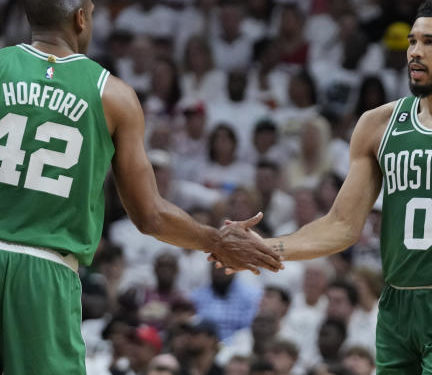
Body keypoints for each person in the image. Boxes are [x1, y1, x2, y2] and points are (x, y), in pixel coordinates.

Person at [216, 1, 432, 373]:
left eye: (430, 41)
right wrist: (268, 247)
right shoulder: (378, 124)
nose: (415, 52)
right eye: (412, 42)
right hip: (394, 307)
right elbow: (342, 225)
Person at [0, 1, 282, 374]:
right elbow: (149, 215)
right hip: (44, 273)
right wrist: (216, 240)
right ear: (81, 17)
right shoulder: (113, 96)